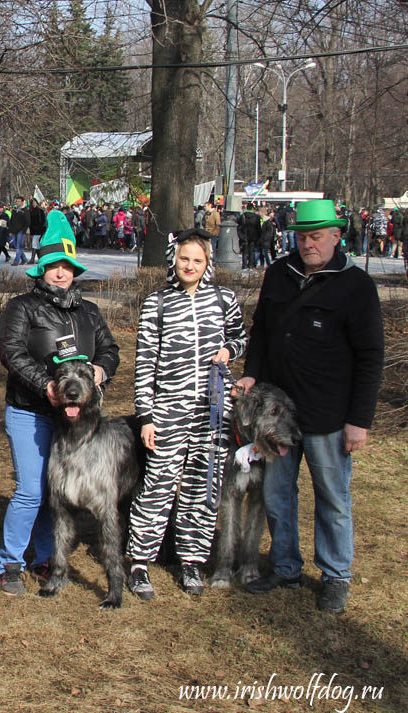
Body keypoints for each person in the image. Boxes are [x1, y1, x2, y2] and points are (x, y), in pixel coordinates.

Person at [234, 200, 383, 613]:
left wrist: (359, 421)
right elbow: (261, 332)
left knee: (332, 497)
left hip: (329, 416)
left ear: (337, 235)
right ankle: (285, 567)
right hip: (279, 414)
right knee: (278, 494)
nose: (307, 244)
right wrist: (252, 373)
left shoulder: (356, 285)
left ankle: (336, 574)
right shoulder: (280, 273)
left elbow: (370, 357)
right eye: (301, 236)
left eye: (316, 236)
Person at [0, 210, 120, 595]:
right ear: (41, 268)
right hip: (30, 411)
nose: (61, 273)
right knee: (32, 490)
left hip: (76, 420)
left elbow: (110, 349)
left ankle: (47, 556)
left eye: (67, 266)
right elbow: (11, 353)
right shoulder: (22, 307)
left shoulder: (90, 311)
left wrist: (101, 370)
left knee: (58, 492)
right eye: (53, 266)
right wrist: (46, 385)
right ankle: (10, 561)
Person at [127, 228, 247, 599]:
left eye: (197, 260)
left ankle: (192, 559)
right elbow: (145, 363)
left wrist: (229, 350)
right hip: (168, 409)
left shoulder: (225, 299)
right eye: (184, 259)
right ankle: (139, 561)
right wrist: (146, 415)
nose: (190, 266)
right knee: (158, 483)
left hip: (213, 411)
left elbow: (242, 338)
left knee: (202, 485)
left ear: (208, 263)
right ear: (173, 260)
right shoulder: (157, 303)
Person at [8, 196, 29, 266]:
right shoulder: (14, 211)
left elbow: (28, 222)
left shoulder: (25, 211)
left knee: (19, 246)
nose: (17, 203)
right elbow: (11, 221)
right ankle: (24, 259)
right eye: (16, 201)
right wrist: (10, 230)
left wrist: (24, 230)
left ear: (22, 202)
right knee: (15, 245)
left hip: (21, 231)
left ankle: (16, 261)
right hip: (14, 231)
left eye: (19, 201)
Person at [28, 197, 47, 263]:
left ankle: (32, 259)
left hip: (39, 230)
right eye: (32, 203)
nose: (34, 204)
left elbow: (43, 221)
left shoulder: (40, 211)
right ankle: (40, 259)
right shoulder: (30, 211)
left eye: (35, 202)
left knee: (34, 244)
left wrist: (41, 228)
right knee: (37, 245)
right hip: (33, 230)